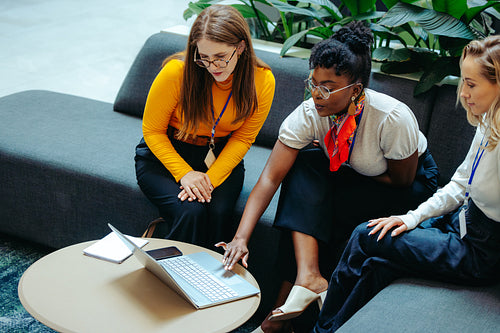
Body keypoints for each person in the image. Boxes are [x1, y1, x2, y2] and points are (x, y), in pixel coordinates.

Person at [217, 21, 439, 332]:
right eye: (313, 83)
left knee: (317, 214)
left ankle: (280, 317)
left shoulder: (391, 118)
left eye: (328, 87)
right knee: (304, 168)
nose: (317, 94)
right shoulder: (310, 114)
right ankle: (305, 281)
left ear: (356, 90)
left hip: (407, 184)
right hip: (355, 174)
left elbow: (402, 181)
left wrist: (341, 163)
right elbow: (270, 177)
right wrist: (240, 238)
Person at [313, 35, 500, 332]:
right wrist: (410, 218)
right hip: (459, 221)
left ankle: (318, 329)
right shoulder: (490, 122)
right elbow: (459, 184)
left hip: (479, 252)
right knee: (376, 264)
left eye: (472, 84)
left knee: (365, 235)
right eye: (462, 81)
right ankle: (330, 327)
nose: (463, 93)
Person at [134, 5, 275, 248]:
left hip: (219, 156)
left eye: (221, 57)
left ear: (240, 47)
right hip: (167, 154)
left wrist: (207, 181)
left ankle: (211, 280)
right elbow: (153, 131)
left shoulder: (262, 80)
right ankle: (172, 276)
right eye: (204, 58)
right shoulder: (177, 72)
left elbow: (243, 139)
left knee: (219, 212)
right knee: (191, 211)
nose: (213, 66)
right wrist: (185, 174)